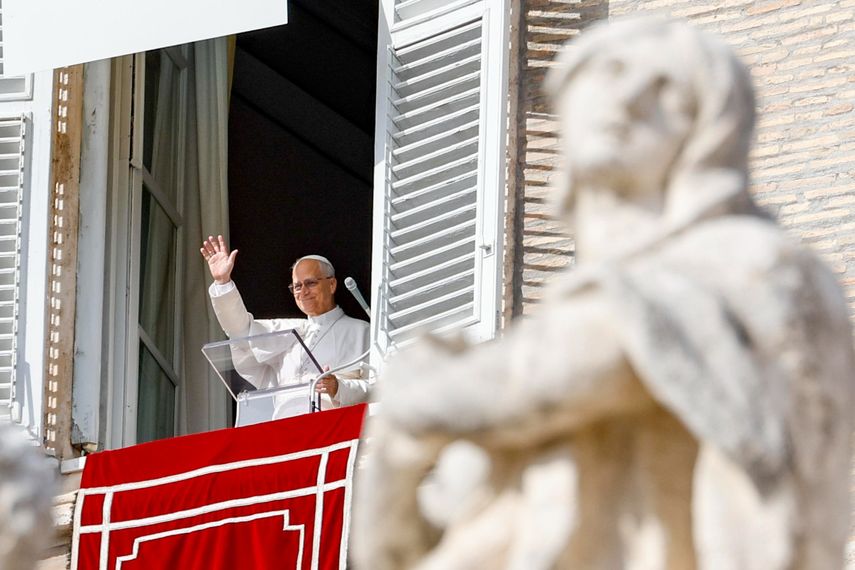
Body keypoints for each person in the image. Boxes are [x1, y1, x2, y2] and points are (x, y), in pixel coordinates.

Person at [353, 18, 854, 570]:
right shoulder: (590, 299)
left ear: (710, 126)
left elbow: (559, 372)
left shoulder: (747, 261)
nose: (633, 98)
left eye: (667, 87)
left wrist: (413, 401)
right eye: (612, 72)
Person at [200, 235, 370, 418]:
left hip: (334, 430)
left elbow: (380, 388)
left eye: (311, 283)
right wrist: (223, 283)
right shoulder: (289, 330)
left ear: (332, 284)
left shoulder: (361, 331)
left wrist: (339, 388)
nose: (303, 291)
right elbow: (241, 332)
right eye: (297, 286)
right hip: (283, 430)